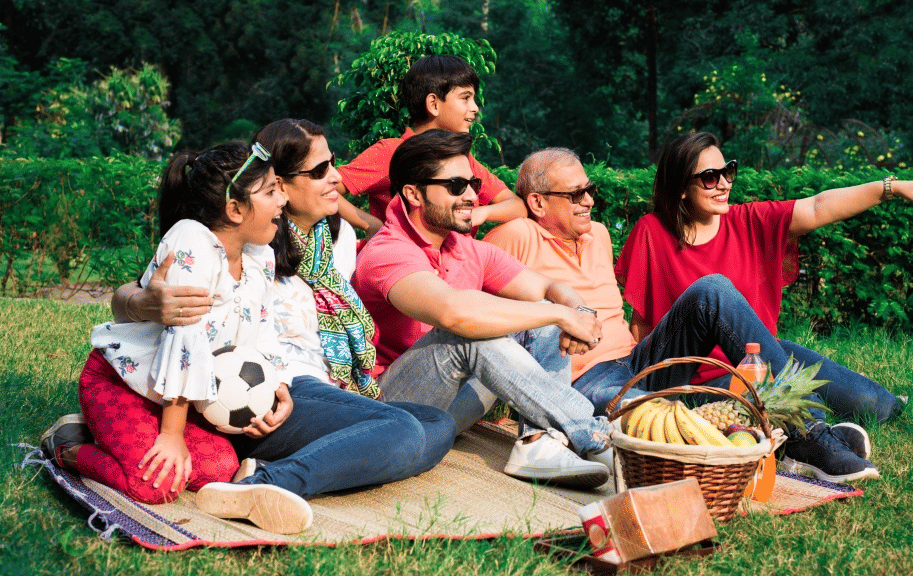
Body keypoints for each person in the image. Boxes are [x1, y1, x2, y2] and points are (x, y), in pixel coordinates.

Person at [484, 147, 884, 483]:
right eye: (575, 195)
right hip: (581, 383)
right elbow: (475, 316)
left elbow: (633, 321)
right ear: (537, 202)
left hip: (636, 362)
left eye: (590, 189)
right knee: (670, 425)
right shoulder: (514, 236)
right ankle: (790, 446)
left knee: (712, 289)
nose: (589, 200)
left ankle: (809, 433)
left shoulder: (599, 235)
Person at [40, 141, 314, 533]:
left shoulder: (260, 256)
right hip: (120, 383)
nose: (284, 197)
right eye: (271, 190)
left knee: (222, 467)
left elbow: (261, 330)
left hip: (174, 399)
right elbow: (184, 342)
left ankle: (109, 436)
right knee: (156, 485)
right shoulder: (191, 242)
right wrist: (171, 435)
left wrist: (276, 387)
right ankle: (69, 447)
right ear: (234, 209)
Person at [613, 131, 913, 425]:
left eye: (728, 171)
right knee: (774, 416)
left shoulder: (749, 222)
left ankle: (898, 404)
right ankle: (818, 434)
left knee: (870, 403)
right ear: (682, 188)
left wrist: (891, 187)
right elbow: (642, 329)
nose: (724, 184)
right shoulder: (652, 233)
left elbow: (819, 206)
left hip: (763, 363)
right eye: (710, 177)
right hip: (699, 382)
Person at [352, 130, 614, 488]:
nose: (473, 196)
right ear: (413, 193)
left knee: (539, 315)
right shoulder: (388, 253)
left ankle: (540, 443)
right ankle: (595, 436)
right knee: (468, 334)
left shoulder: (463, 247)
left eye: (473, 183)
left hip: (446, 408)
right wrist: (559, 314)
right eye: (457, 185)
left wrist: (578, 311)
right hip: (389, 410)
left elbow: (547, 287)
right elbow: (452, 312)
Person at [337, 54, 526, 236]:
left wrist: (481, 214)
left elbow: (516, 205)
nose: (475, 107)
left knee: (521, 230)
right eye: (465, 98)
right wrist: (370, 224)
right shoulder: (391, 152)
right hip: (405, 261)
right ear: (433, 104)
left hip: (457, 261)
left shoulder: (464, 161)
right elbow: (323, 188)